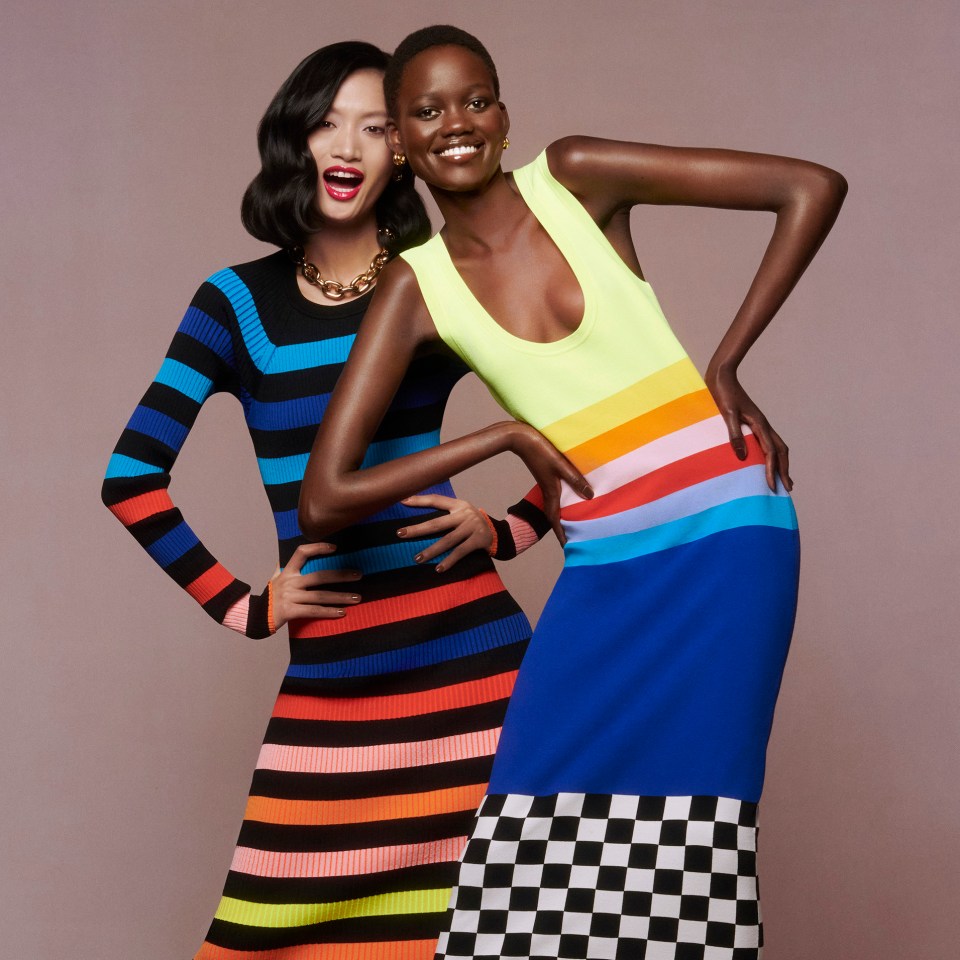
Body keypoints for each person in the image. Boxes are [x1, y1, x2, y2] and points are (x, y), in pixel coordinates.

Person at [297, 25, 847, 960]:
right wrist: (501, 435)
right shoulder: (415, 289)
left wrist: (728, 356)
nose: (457, 124)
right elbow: (327, 496)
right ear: (397, 139)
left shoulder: (579, 176)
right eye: (427, 111)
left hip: (731, 538)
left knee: (698, 832)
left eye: (476, 100)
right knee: (525, 837)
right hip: (604, 566)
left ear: (505, 117)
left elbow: (811, 187)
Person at [101, 40, 550, 960]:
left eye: (380, 125)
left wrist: (505, 528)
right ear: (296, 139)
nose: (349, 145)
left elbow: (579, 425)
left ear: (404, 153)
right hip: (335, 680)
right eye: (327, 121)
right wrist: (245, 603)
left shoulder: (440, 280)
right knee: (265, 938)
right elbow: (131, 477)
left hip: (475, 670)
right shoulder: (234, 304)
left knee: (494, 936)